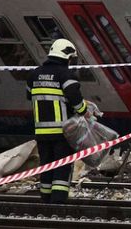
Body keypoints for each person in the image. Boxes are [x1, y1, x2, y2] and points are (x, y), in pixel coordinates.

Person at [26, 38, 89, 204]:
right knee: (62, 169)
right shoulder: (66, 75)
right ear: (67, 56)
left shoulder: (33, 75)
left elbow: (29, 96)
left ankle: (46, 202)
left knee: (46, 167)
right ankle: (58, 204)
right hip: (62, 133)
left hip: (41, 133)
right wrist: (84, 110)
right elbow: (76, 100)